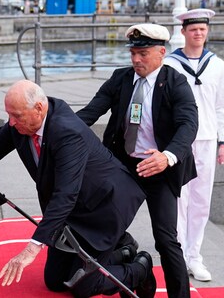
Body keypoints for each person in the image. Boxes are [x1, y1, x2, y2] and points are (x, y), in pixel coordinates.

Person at [0, 80, 156, 297]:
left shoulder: (67, 132)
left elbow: (66, 194)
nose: (11, 122)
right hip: (73, 207)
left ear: (40, 109)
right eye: (9, 115)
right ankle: (123, 249)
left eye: (17, 116)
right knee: (55, 281)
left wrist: (32, 247)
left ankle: (140, 267)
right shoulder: (21, 124)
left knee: (85, 287)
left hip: (105, 206)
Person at [76, 23, 199, 298]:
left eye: (143, 53)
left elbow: (189, 124)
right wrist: (56, 128)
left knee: (166, 239)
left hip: (159, 166)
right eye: (133, 52)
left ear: (161, 53)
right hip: (124, 166)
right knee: (106, 226)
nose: (136, 59)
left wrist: (167, 157)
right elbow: (90, 112)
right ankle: (134, 271)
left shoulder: (176, 82)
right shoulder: (121, 79)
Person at [164, 9, 224, 282]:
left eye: (202, 29)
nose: (198, 33)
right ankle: (178, 254)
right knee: (180, 199)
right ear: (183, 32)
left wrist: (223, 141)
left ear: (207, 31)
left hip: (206, 139)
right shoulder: (170, 64)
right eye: (193, 29)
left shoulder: (218, 65)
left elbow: (222, 105)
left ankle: (195, 255)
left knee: (201, 201)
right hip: (179, 141)